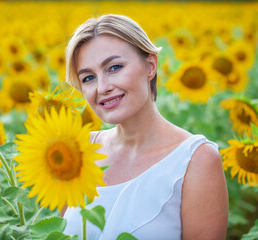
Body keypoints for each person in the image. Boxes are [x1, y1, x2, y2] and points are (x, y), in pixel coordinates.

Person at [63, 14, 228, 240]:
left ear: (150, 66)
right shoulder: (76, 152)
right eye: (88, 78)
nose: (102, 87)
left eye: (114, 67)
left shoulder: (196, 160)